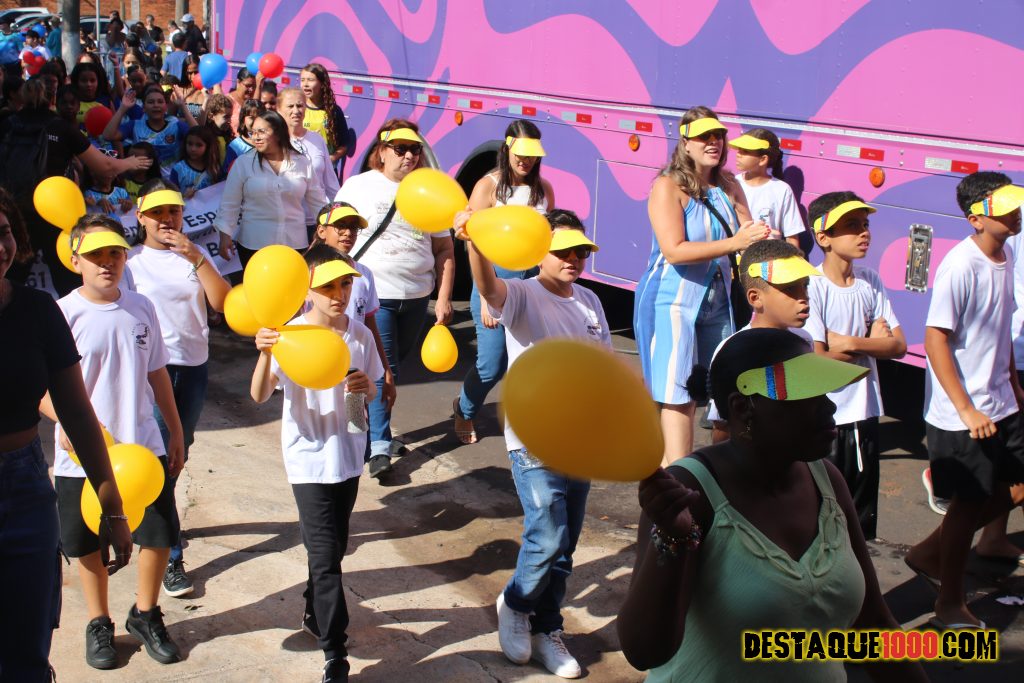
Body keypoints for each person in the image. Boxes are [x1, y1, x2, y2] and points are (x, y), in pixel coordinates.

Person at [617, 328, 928, 682]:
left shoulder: (827, 480)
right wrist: (674, 537)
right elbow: (644, 651)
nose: (829, 407)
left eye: (824, 391)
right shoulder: (691, 491)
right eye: (806, 393)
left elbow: (874, 624)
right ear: (743, 407)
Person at [454, 208, 607, 678]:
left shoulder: (590, 300)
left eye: (580, 251)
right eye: (563, 251)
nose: (573, 259)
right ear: (540, 253)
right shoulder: (522, 294)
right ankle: (517, 604)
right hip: (534, 437)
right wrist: (474, 243)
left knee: (566, 546)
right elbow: (487, 289)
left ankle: (547, 630)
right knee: (547, 535)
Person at [0, 189, 133, 681]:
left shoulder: (38, 310)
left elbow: (77, 411)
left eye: (4, 232)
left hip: (25, 490)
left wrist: (112, 504)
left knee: (27, 645)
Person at [42, 215, 185, 669]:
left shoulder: (142, 307)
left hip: (142, 448)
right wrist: (65, 422)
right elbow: (39, 387)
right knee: (86, 541)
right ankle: (98, 621)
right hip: (81, 455)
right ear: (75, 260)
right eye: (96, 255)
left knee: (159, 533)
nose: (107, 263)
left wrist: (175, 429)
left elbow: (157, 371)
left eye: (115, 253)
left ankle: (145, 613)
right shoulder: (61, 313)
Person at [251, 245, 384, 683]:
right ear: (307, 289)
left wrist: (366, 389)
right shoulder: (289, 334)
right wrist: (264, 351)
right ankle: (335, 654)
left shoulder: (360, 336)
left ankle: (313, 610)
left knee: (333, 548)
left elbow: (371, 393)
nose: (339, 294)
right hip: (307, 461)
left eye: (345, 284)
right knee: (327, 559)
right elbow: (258, 395)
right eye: (328, 286)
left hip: (349, 457)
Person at [904, 173, 1024, 630]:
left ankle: (930, 551)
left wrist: (1013, 383)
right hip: (962, 414)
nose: (1016, 213)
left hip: (1001, 401)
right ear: (976, 218)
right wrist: (966, 408)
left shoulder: (1006, 254)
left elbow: (1000, 327)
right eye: (1005, 207)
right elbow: (935, 339)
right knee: (967, 505)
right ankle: (949, 602)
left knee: (1015, 487)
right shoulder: (960, 265)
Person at [633, 106, 767, 467]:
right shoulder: (667, 186)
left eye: (718, 135)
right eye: (704, 136)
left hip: (720, 301)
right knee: (678, 394)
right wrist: (735, 243)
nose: (713, 142)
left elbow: (747, 235)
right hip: (671, 301)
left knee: (724, 389)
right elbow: (674, 251)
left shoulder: (729, 185)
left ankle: (710, 473)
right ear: (685, 142)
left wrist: (763, 239)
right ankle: (679, 477)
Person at [127, 179, 230, 600]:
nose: (167, 219)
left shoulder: (195, 254)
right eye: (157, 213)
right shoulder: (130, 262)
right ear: (141, 217)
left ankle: (153, 524)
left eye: (173, 211)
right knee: (160, 458)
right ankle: (169, 553)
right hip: (154, 371)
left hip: (194, 366)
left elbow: (222, 303)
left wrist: (196, 257)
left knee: (177, 452)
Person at [335, 120, 455, 477]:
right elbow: (333, 232)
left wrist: (444, 297)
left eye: (415, 149)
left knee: (384, 368)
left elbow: (444, 249)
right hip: (374, 295)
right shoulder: (360, 186)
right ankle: (379, 445)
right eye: (400, 148)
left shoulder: (429, 191)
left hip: (416, 296)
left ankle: (360, 430)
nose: (408, 155)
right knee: (384, 371)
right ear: (382, 151)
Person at [805, 192, 906, 541]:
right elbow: (817, 361)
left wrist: (849, 343)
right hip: (827, 418)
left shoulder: (870, 280)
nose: (864, 232)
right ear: (823, 238)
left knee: (859, 524)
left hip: (864, 416)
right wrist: (870, 346)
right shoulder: (812, 285)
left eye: (865, 224)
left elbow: (898, 345)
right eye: (851, 225)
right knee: (822, 519)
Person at [0, 78, 152, 296]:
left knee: (10, 279)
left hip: (15, 214)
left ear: (22, 97)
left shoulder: (7, 125)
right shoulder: (61, 128)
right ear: (53, 98)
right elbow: (105, 166)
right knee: (68, 282)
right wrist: (130, 162)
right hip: (56, 216)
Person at [453, 120, 554, 444]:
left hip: (532, 286)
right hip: (494, 282)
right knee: (491, 364)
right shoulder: (488, 186)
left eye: (532, 154)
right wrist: (486, 297)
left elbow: (545, 242)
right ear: (507, 148)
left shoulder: (544, 189)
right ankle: (465, 409)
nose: (526, 160)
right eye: (520, 153)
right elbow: (473, 243)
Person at [706, 238, 818, 443]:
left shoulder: (804, 340)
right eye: (790, 288)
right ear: (755, 298)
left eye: (805, 286)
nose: (804, 297)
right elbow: (722, 428)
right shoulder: (733, 349)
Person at [214, 110, 328, 266]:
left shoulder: (302, 162)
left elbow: (318, 201)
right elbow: (229, 203)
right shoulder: (243, 163)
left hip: (294, 244)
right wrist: (225, 236)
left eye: (261, 131)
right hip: (254, 245)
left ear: (278, 134)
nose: (256, 137)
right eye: (253, 132)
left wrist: (327, 230)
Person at [311, 200, 391, 393]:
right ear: (322, 231)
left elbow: (370, 324)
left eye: (353, 228)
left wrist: (386, 369)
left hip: (354, 369)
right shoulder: (306, 272)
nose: (348, 233)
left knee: (356, 411)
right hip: (315, 364)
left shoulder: (364, 274)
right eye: (341, 226)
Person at [728, 128, 806, 250]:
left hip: (768, 258)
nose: (738, 154)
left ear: (763, 159)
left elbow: (792, 238)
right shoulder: (731, 184)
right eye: (739, 150)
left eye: (745, 151)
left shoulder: (782, 190)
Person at [279, 87, 340, 237]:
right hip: (285, 224)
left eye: (300, 105)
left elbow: (331, 183)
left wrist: (338, 215)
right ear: (278, 110)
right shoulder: (275, 142)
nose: (296, 111)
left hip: (316, 222)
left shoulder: (317, 139)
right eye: (290, 106)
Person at [102, 84, 198, 175]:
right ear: (143, 108)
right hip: (144, 180)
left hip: (172, 180)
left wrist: (183, 106)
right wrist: (123, 108)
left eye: (160, 102)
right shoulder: (135, 125)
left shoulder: (176, 125)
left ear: (166, 107)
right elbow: (108, 135)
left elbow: (199, 135)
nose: (156, 105)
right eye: (151, 102)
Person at [300, 63, 349, 170]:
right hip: (301, 168)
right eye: (302, 80)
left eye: (310, 80)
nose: (305, 84)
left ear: (322, 84)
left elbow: (345, 144)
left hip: (326, 169)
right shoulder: (298, 108)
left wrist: (332, 158)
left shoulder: (333, 111)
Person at [169, 125, 222, 197]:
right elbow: (172, 195)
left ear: (208, 147)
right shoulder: (178, 169)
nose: (193, 149)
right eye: (190, 144)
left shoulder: (214, 169)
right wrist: (184, 196)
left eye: (199, 145)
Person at [227, 68, 256, 133]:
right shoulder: (228, 101)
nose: (251, 89)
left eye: (254, 86)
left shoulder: (253, 102)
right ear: (238, 82)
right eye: (248, 86)